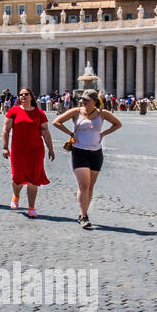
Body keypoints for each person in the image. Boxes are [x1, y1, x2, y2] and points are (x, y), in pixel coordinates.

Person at [53, 90, 122, 229]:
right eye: (82, 99)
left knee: (90, 186)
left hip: (96, 152)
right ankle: (84, 215)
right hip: (79, 151)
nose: (83, 101)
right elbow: (56, 122)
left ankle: (83, 212)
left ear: (94, 101)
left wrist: (103, 134)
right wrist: (71, 133)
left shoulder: (102, 113)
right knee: (84, 185)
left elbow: (117, 124)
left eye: (87, 100)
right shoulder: (76, 111)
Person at [1, 87, 55, 218]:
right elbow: (6, 130)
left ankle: (31, 207)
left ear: (31, 97)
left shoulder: (39, 113)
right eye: (20, 95)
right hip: (18, 151)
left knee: (33, 179)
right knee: (17, 179)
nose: (23, 96)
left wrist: (51, 148)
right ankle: (16, 195)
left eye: (26, 94)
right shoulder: (13, 111)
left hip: (36, 150)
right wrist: (5, 147)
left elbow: (45, 132)